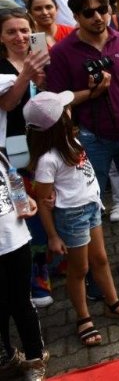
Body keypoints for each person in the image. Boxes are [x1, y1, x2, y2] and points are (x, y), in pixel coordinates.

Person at [25, 91, 119, 348]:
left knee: (100, 259)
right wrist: (53, 236)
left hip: (90, 208)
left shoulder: (73, 142)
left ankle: (112, 302)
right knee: (80, 269)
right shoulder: (48, 160)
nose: (70, 109)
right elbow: (43, 203)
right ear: (58, 122)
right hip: (73, 216)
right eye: (65, 108)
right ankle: (83, 317)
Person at [46, 0, 119, 232]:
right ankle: (91, 262)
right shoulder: (62, 52)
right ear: (76, 17)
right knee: (90, 200)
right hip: (91, 137)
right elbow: (57, 100)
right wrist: (91, 93)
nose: (98, 17)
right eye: (89, 13)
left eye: (102, 10)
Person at [0, 149, 45, 380]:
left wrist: (24, 200)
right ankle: (6, 357)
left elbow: (12, 177)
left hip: (15, 240)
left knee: (22, 302)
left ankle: (34, 359)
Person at [0, 9, 50, 149]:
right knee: (20, 170)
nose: (20, 37)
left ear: (32, 32)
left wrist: (42, 85)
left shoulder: (44, 60)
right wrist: (26, 75)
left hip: (47, 135)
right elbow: (7, 105)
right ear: (1, 37)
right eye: (11, 32)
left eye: (24, 30)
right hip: (14, 138)